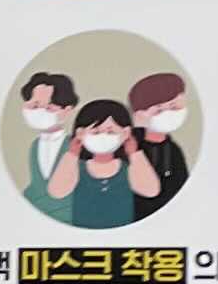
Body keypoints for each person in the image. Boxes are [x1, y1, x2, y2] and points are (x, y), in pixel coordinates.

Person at [43, 95, 160, 226]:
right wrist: (72, 154)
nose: (103, 137)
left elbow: (151, 191)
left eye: (111, 132)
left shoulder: (128, 168)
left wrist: (134, 153)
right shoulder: (77, 168)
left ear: (126, 133)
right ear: (80, 133)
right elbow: (57, 192)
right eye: (95, 132)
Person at [127, 70, 193, 211]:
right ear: (139, 114)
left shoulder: (173, 149)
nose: (169, 114)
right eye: (158, 110)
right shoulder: (129, 145)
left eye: (174, 107)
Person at [14, 69, 75, 208]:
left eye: (49, 108)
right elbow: (36, 186)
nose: (40, 112)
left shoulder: (74, 146)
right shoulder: (35, 146)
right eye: (35, 105)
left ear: (67, 111)